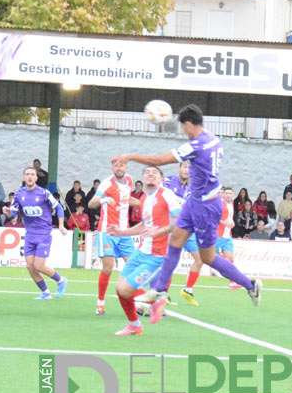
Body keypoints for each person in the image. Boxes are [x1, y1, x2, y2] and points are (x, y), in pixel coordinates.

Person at [112, 103, 262, 321]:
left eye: (183, 127)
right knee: (175, 241)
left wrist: (131, 156)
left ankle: (251, 285)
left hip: (205, 206)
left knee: (208, 257)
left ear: (190, 124)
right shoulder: (213, 138)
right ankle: (159, 290)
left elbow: (159, 161)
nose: (183, 132)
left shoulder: (197, 145)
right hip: (195, 201)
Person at [106, 166, 180, 336]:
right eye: (147, 172)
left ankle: (158, 297)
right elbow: (144, 226)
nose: (151, 174)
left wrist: (159, 232)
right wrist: (121, 231)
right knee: (119, 289)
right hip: (141, 252)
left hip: (157, 255)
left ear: (161, 179)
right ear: (142, 178)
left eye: (155, 172)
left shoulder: (166, 195)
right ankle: (134, 325)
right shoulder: (145, 198)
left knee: (125, 290)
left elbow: (179, 221)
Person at [3, 167, 68, 299]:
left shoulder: (44, 193)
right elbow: (14, 214)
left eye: (32, 174)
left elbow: (59, 208)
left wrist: (61, 225)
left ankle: (61, 280)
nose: (30, 177)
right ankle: (45, 293)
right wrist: (8, 212)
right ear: (23, 177)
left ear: (36, 178)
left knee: (38, 265)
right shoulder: (19, 194)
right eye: (27, 174)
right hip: (29, 234)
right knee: (30, 266)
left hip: (43, 234)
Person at [87, 160, 137, 315]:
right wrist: (103, 200)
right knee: (108, 268)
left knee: (134, 266)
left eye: (122, 166)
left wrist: (143, 203)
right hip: (107, 232)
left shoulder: (129, 180)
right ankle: (100, 302)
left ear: (126, 167)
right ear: (112, 168)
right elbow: (91, 204)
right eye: (116, 166)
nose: (119, 168)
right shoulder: (106, 184)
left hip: (124, 232)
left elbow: (127, 199)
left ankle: (136, 301)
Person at [161, 161, 204, 305]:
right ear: (179, 168)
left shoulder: (194, 187)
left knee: (200, 259)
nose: (187, 170)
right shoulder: (167, 182)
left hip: (188, 229)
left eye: (190, 168)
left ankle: (188, 290)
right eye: (185, 167)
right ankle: (163, 293)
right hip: (171, 229)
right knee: (170, 262)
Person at [216, 187, 239, 286]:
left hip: (227, 236)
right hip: (217, 235)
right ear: (223, 194)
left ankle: (232, 281)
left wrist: (231, 222)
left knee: (230, 259)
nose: (228, 195)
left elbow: (229, 218)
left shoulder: (232, 204)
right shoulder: (220, 204)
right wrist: (224, 222)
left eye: (230, 193)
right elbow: (213, 217)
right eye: (226, 193)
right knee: (212, 258)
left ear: (233, 195)